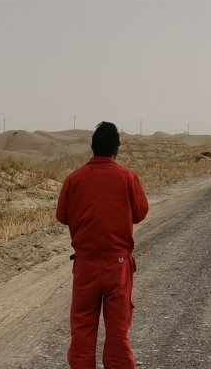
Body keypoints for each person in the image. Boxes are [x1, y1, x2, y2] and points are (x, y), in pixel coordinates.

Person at [56, 122, 149, 369]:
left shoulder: (73, 179)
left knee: (82, 329)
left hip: (85, 266)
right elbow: (140, 213)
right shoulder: (128, 177)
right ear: (115, 150)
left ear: (93, 147)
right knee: (118, 332)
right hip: (117, 267)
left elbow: (62, 216)